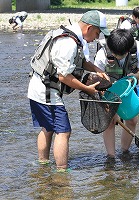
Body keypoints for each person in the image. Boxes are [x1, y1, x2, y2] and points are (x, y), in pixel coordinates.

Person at [27, 10, 110, 171]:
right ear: (89, 28)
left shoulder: (70, 34)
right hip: (46, 91)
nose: (95, 38)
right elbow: (63, 76)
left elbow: (81, 61)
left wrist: (96, 69)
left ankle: (43, 164)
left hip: (38, 86)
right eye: (97, 33)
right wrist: (87, 89)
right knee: (64, 131)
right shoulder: (69, 43)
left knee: (48, 127)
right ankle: (62, 171)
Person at [94, 29, 139, 157]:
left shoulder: (138, 47)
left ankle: (124, 152)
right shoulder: (102, 54)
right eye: (115, 54)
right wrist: (111, 108)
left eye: (121, 54)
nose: (117, 57)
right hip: (108, 91)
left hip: (128, 88)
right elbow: (97, 80)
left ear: (128, 50)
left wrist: (134, 75)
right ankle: (111, 157)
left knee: (132, 120)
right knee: (110, 122)